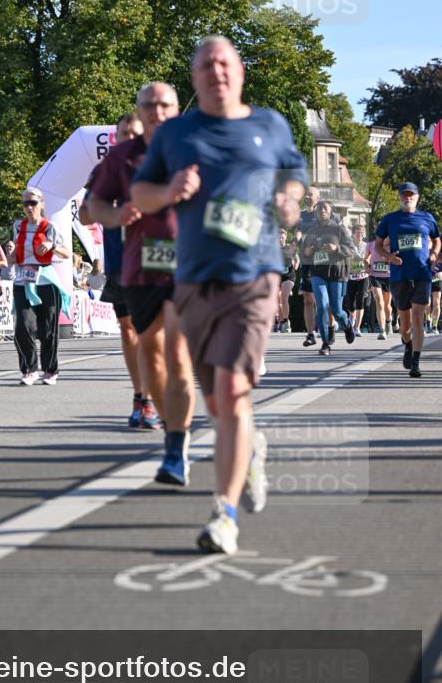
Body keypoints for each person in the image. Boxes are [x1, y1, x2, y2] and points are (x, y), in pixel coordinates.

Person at [132, 36, 307, 554]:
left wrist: (289, 198)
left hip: (254, 276)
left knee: (231, 391)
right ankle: (248, 448)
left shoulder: (270, 125)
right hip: (193, 279)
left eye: (224, 63)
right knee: (217, 402)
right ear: (194, 77)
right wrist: (168, 193)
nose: (216, 72)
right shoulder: (176, 133)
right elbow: (140, 192)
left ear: (240, 71)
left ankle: (223, 515)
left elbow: (294, 173)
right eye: (206, 65)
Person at [89, 83, 195, 484]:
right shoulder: (122, 156)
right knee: (151, 352)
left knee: (178, 354)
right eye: (148, 104)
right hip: (140, 268)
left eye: (164, 104)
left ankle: (175, 449)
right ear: (140, 109)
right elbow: (94, 205)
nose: (156, 110)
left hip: (189, 267)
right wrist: (116, 216)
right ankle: (171, 427)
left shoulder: (195, 150)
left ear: (175, 110)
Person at [80, 112, 160, 431]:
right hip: (120, 261)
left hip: (155, 259)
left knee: (151, 331)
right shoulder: (106, 170)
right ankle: (140, 397)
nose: (130, 138)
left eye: (135, 133)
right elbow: (85, 216)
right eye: (124, 133)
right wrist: (113, 210)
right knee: (128, 329)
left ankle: (151, 399)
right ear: (116, 138)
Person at [374, 182, 441, 378]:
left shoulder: (427, 218)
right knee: (405, 326)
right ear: (399, 197)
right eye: (404, 195)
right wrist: (389, 257)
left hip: (422, 273)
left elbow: (437, 240)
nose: (408, 198)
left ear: (417, 197)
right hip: (399, 275)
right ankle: (408, 344)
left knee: (418, 318)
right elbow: (378, 245)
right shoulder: (390, 219)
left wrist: (434, 253)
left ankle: (416, 363)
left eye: (411, 195)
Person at [7, 186, 71, 385]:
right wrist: (10, 254)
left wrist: (52, 245)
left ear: (41, 204)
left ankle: (50, 370)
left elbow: (67, 253)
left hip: (46, 281)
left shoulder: (50, 227)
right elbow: (13, 258)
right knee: (22, 326)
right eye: (25, 203)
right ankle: (29, 369)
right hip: (23, 280)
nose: (29, 207)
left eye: (33, 203)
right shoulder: (18, 226)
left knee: (48, 330)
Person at [302, 201, 355, 356]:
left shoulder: (339, 229)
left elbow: (351, 250)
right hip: (318, 273)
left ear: (331, 211)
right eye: (319, 208)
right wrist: (307, 252)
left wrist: (336, 248)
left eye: (325, 208)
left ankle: (347, 325)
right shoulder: (312, 231)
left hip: (337, 273)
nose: (322, 210)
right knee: (322, 306)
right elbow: (304, 254)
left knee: (337, 311)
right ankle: (325, 343)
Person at [297, 187, 339, 347]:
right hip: (308, 261)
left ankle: (330, 328)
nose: (307, 196)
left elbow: (338, 231)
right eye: (305, 194)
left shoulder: (327, 212)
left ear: (318, 197)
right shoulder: (300, 215)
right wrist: (297, 241)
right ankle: (310, 334)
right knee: (308, 298)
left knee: (326, 300)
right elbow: (298, 234)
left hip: (324, 261)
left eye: (310, 194)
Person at [365, 234, 392, 339]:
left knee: (387, 306)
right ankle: (382, 330)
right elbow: (366, 259)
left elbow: (397, 259)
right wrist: (366, 265)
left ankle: (388, 321)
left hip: (388, 277)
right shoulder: (370, 245)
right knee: (379, 303)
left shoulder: (393, 245)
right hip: (374, 276)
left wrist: (391, 259)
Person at [345, 223, 369, 336]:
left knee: (360, 301)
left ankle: (357, 328)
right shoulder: (349, 245)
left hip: (363, 276)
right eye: (358, 233)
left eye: (362, 233)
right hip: (351, 276)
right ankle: (352, 315)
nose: (360, 235)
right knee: (351, 303)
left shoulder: (367, 246)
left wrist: (367, 263)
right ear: (353, 234)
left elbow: (370, 258)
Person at [276, 228, 298, 332]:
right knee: (277, 300)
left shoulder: (290, 247)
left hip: (289, 275)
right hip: (277, 276)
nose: (280, 235)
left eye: (283, 234)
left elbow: (297, 258)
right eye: (278, 234)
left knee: (284, 297)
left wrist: (296, 263)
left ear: (285, 236)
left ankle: (286, 321)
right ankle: (281, 322)